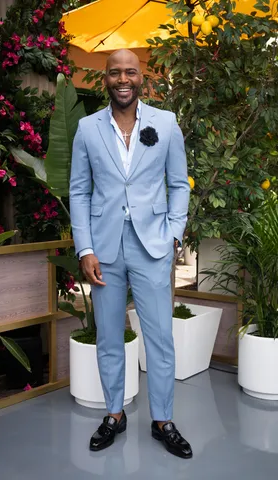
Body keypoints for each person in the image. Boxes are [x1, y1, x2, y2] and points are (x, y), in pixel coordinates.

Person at [69, 49, 192, 459]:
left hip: (152, 246)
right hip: (103, 250)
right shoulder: (87, 129)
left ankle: (163, 421)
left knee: (159, 338)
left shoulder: (167, 124)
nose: (123, 79)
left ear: (143, 77)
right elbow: (80, 192)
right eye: (115, 73)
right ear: (105, 79)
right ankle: (114, 414)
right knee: (108, 336)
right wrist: (85, 248)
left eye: (131, 72)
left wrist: (175, 234)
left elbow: (179, 184)